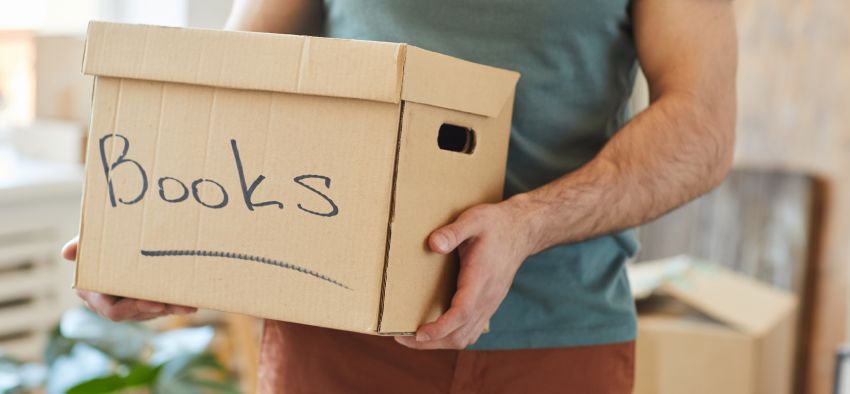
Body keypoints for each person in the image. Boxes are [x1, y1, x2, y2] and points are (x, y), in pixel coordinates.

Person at [62, 0, 736, 392]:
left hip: (555, 339)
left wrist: (528, 224)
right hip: (335, 331)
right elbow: (241, 83)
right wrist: (143, 240)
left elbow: (702, 128)